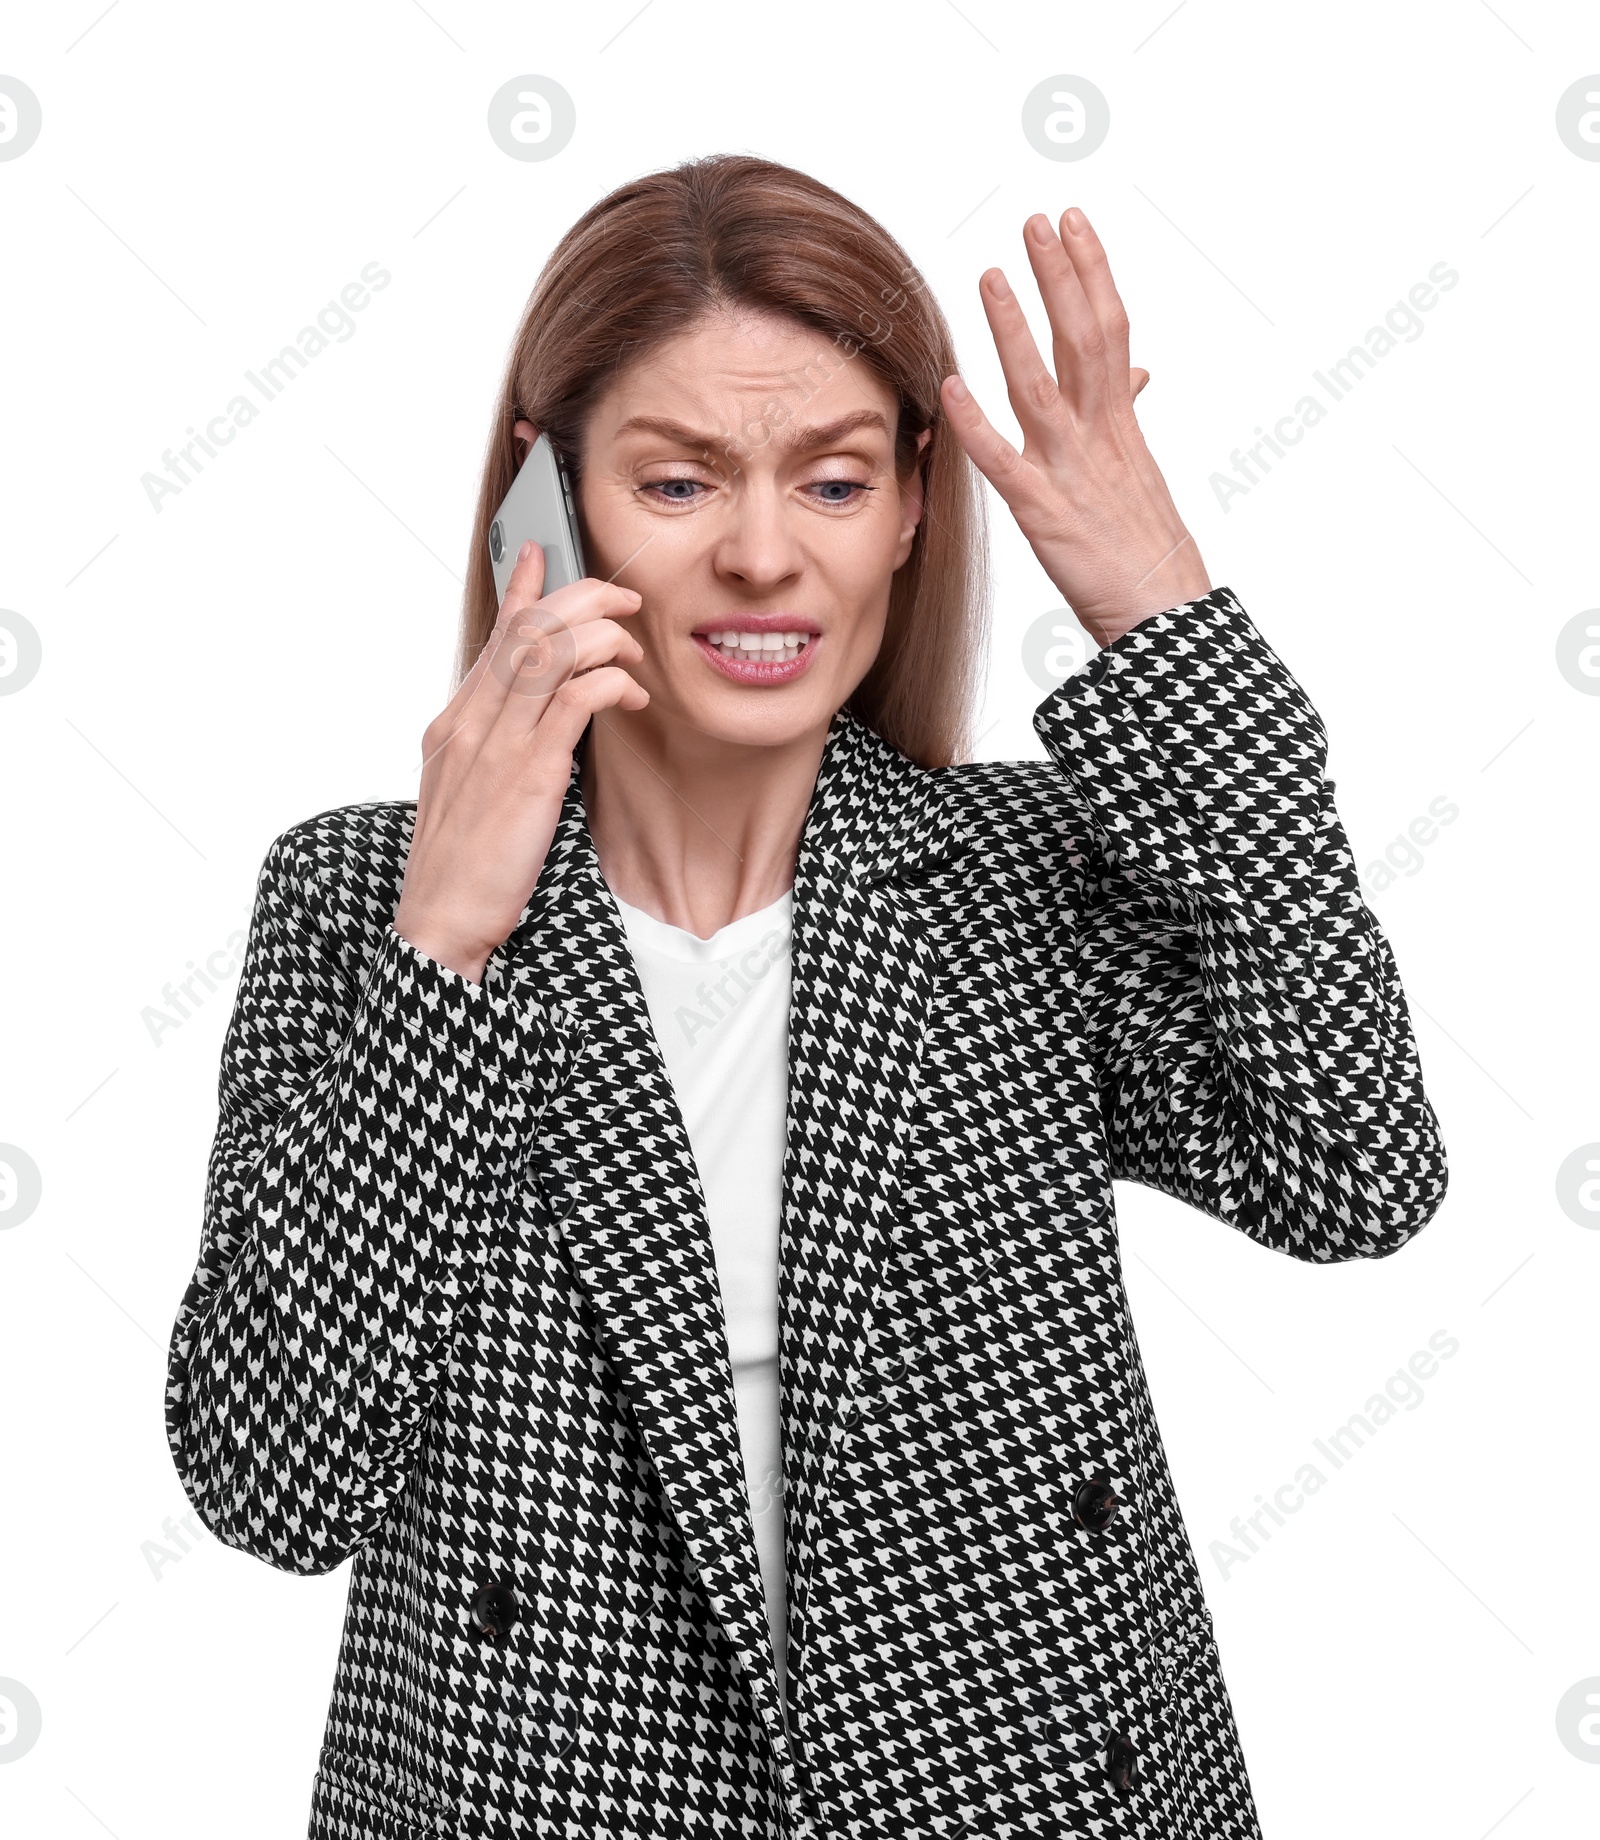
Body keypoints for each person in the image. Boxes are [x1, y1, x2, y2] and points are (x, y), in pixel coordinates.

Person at [164, 153, 1447, 1839]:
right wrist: (450, 946)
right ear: (542, 504)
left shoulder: (1021, 879)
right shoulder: (357, 905)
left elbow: (1355, 1172)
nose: (765, 558)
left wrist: (1164, 622)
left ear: (915, 506)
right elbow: (273, 1484)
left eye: (834, 483)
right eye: (681, 484)